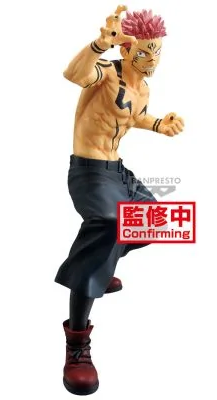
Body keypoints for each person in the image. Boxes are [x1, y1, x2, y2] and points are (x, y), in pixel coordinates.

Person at [55, 5, 184, 395]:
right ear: (126, 49)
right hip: (89, 172)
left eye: (156, 52)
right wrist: (99, 44)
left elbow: (134, 116)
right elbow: (74, 74)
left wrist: (159, 124)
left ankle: (102, 261)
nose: (152, 60)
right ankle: (77, 342)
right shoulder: (106, 73)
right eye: (143, 52)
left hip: (116, 170)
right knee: (112, 225)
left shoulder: (142, 87)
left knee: (154, 221)